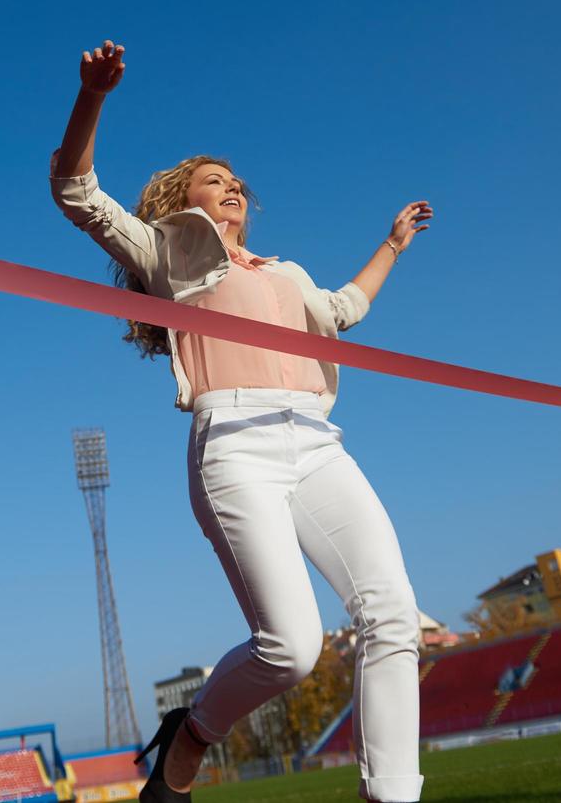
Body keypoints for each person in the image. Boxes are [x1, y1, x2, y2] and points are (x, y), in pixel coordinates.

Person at [50, 41, 432, 803]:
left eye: (236, 184)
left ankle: (391, 796)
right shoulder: (168, 255)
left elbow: (343, 311)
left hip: (319, 443)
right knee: (290, 650)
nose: (231, 190)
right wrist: (91, 96)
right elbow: (75, 190)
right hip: (234, 445)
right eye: (213, 182)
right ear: (181, 201)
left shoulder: (286, 274)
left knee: (394, 616)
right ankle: (190, 736)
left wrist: (390, 246)